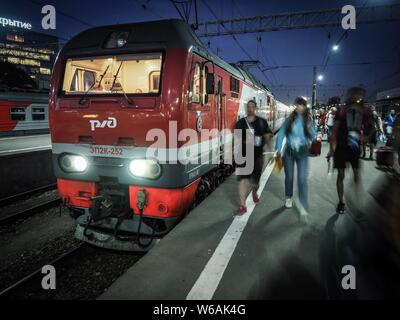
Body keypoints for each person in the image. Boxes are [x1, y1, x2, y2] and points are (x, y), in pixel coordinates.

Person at [327, 87, 374, 214]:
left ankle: (358, 204)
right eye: (354, 94)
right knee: (341, 175)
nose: (356, 97)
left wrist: (366, 137)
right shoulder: (342, 111)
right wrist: (331, 149)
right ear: (349, 95)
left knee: (357, 176)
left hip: (354, 148)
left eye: (359, 95)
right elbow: (335, 131)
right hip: (341, 148)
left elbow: (371, 127)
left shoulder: (364, 111)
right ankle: (341, 202)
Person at [275, 97, 316, 223]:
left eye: (302, 105)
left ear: (305, 107)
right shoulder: (289, 120)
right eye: (297, 105)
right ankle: (288, 197)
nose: (299, 107)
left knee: (302, 178)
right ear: (295, 106)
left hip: (303, 152)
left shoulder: (308, 120)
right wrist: (277, 149)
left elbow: (313, 135)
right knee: (290, 177)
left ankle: (303, 203)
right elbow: (281, 133)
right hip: (289, 152)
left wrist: (311, 134)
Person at [235, 100, 273, 215]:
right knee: (242, 180)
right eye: (248, 107)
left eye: (252, 107)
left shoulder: (262, 122)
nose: (250, 108)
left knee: (255, 182)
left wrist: (271, 152)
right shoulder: (241, 122)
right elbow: (236, 138)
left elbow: (267, 137)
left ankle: (254, 192)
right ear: (246, 109)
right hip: (243, 154)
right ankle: (243, 206)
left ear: (255, 108)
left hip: (257, 156)